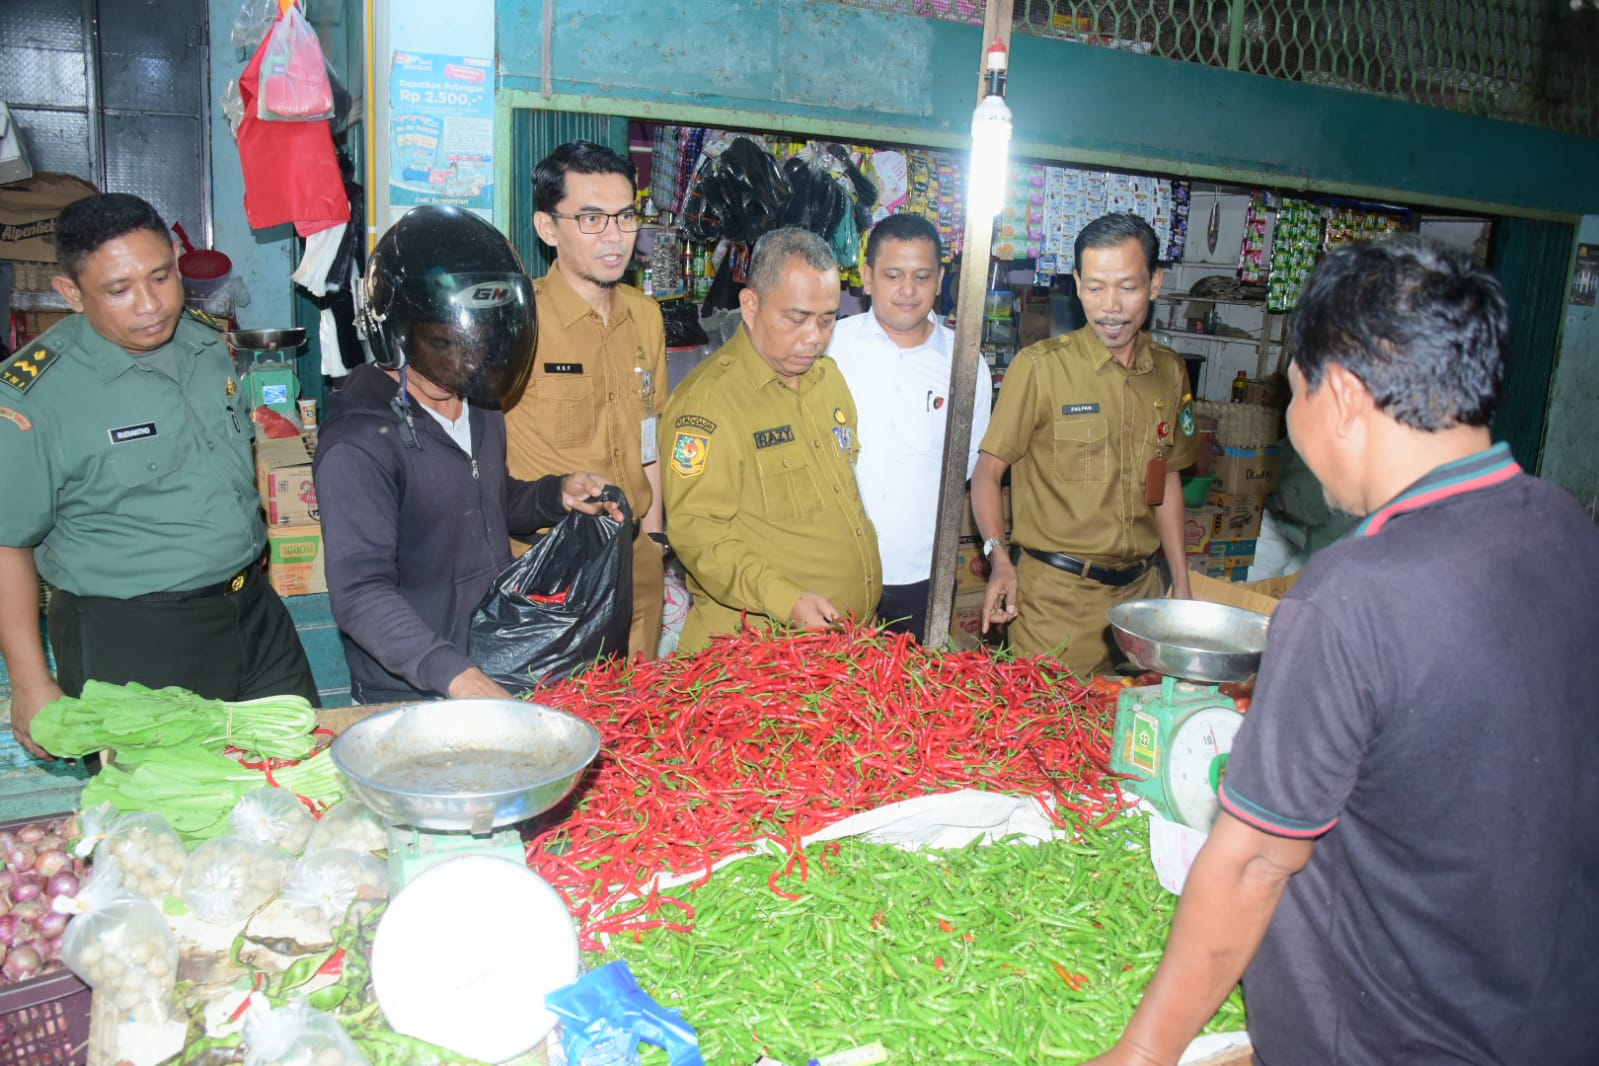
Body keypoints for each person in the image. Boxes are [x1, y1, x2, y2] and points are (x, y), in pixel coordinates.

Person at [1083, 236, 1599, 1066]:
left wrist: (1142, 1053)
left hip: (1391, 1038)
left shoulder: (1351, 595)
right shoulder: (1566, 528)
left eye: (1294, 392)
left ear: (1346, 396)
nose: (1291, 423)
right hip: (1550, 1017)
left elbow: (1254, 860)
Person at [0, 193, 318, 759]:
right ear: (71, 295)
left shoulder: (204, 341)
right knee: (162, 826)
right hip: (135, 639)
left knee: (302, 780)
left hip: (253, 611)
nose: (150, 305)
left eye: (161, 276)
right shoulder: (36, 396)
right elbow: (6, 544)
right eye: (118, 290)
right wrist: (30, 683)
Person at [313, 205, 618, 704]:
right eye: (445, 342)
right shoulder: (358, 442)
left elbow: (484, 500)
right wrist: (457, 676)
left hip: (490, 655)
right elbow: (360, 593)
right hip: (411, 687)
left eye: (486, 337)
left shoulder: (475, 399)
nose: (472, 356)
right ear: (397, 335)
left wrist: (553, 495)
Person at [971, 212, 1198, 678]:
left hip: (1141, 599)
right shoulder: (1040, 369)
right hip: (1057, 604)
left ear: (1155, 283)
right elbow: (988, 473)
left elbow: (1167, 477)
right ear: (1076, 284)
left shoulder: (1169, 373)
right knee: (1048, 735)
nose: (1110, 306)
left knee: (1135, 735)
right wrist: (999, 559)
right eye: (1095, 287)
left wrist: (1183, 584)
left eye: (1127, 287)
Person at [660, 227, 881, 653]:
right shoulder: (709, 403)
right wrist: (786, 599)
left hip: (841, 647)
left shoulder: (827, 380)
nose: (815, 336)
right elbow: (698, 534)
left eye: (828, 318)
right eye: (797, 318)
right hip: (758, 656)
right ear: (751, 305)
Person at [503, 141, 668, 660]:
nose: (614, 236)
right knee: (560, 724)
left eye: (624, 216)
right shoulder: (516, 320)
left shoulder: (646, 317)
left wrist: (657, 538)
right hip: (556, 564)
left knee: (639, 713)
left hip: (637, 554)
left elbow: (651, 437)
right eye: (591, 219)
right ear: (548, 228)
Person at [828, 214, 990, 639]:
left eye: (921, 276)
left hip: (924, 575)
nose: (907, 290)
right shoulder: (828, 348)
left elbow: (969, 470)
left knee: (914, 698)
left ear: (940, 279)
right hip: (833, 568)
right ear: (867, 277)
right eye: (893, 275)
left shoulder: (966, 364)